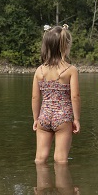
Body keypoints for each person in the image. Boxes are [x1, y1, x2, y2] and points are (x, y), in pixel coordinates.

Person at [32, 25, 80, 164]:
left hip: (44, 116)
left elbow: (35, 97)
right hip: (63, 116)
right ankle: (63, 179)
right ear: (65, 46)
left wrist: (35, 119)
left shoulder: (39, 71)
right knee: (61, 159)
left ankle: (41, 178)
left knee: (40, 158)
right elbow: (75, 97)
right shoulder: (70, 70)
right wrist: (76, 119)